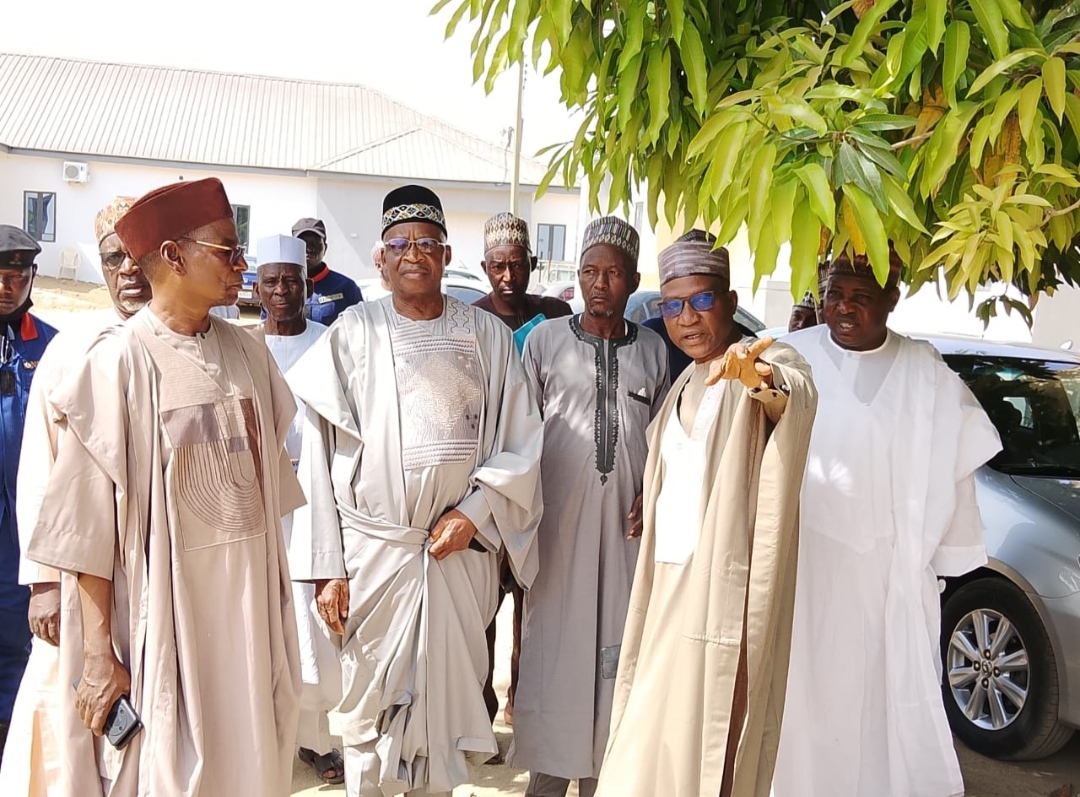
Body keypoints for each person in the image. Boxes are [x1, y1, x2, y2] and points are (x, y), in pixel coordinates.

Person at [25, 177, 303, 797]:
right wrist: (99, 653)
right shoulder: (117, 362)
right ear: (173, 257)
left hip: (248, 610)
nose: (242, 266)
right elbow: (84, 528)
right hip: (163, 616)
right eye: (227, 250)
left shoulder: (247, 351)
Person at [286, 184, 544, 797]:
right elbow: (316, 459)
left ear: (446, 253)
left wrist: (477, 513)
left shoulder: (484, 336)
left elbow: (523, 440)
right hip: (372, 561)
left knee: (445, 722)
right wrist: (326, 567)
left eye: (426, 243)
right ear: (380, 258)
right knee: (370, 723)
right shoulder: (351, 333)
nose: (413, 255)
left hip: (455, 558)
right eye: (399, 244)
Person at [587, 235, 815, 797]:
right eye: (672, 306)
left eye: (702, 302)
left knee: (718, 737)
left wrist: (756, 378)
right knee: (652, 737)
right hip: (666, 586)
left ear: (731, 299)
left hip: (725, 592)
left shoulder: (765, 359)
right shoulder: (685, 380)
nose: (686, 319)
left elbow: (791, 395)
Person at [772, 251, 1001, 797]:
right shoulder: (789, 360)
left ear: (893, 299)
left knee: (886, 728)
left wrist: (948, 555)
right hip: (806, 587)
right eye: (834, 294)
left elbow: (957, 473)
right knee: (803, 724)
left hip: (888, 591)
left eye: (860, 297)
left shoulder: (928, 377)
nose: (843, 308)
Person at [511, 216, 669, 797]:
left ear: (631, 281)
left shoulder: (653, 351)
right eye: (588, 272)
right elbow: (517, 439)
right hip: (557, 531)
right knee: (557, 655)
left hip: (626, 541)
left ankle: (608, 779)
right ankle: (549, 782)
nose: (599, 284)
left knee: (619, 654)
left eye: (613, 273)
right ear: (576, 277)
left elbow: (665, 446)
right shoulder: (544, 343)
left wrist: (649, 494)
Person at [1, 198, 151, 796]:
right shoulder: (74, 349)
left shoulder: (194, 343)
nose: (129, 272)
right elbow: (39, 473)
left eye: (138, 257)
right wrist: (41, 581)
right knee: (73, 718)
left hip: (157, 575)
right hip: (77, 578)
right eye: (115, 259)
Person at [472, 212, 571, 728]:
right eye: (497, 266)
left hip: (543, 473)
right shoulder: (471, 318)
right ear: (483, 267)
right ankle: (483, 704)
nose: (507, 276)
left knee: (532, 601)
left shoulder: (554, 314)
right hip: (489, 477)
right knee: (485, 601)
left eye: (516, 265)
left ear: (532, 263)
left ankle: (521, 702)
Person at [253, 234, 342, 785]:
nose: (283, 290)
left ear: (308, 285)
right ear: (256, 288)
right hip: (258, 508)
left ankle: (316, 739)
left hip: (315, 504)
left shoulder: (329, 342)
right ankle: (265, 733)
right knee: (262, 617)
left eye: (293, 280)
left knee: (312, 625)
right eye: (272, 281)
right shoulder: (240, 345)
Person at [0, 227, 58, 763]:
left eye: (18, 275)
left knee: (24, 646)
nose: (7, 285)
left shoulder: (53, 346)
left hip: (28, 531)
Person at [292, 217, 363, 325]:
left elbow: (362, 328)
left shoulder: (346, 287)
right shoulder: (281, 287)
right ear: (292, 248)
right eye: (303, 244)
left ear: (325, 248)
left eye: (315, 243)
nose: (309, 249)